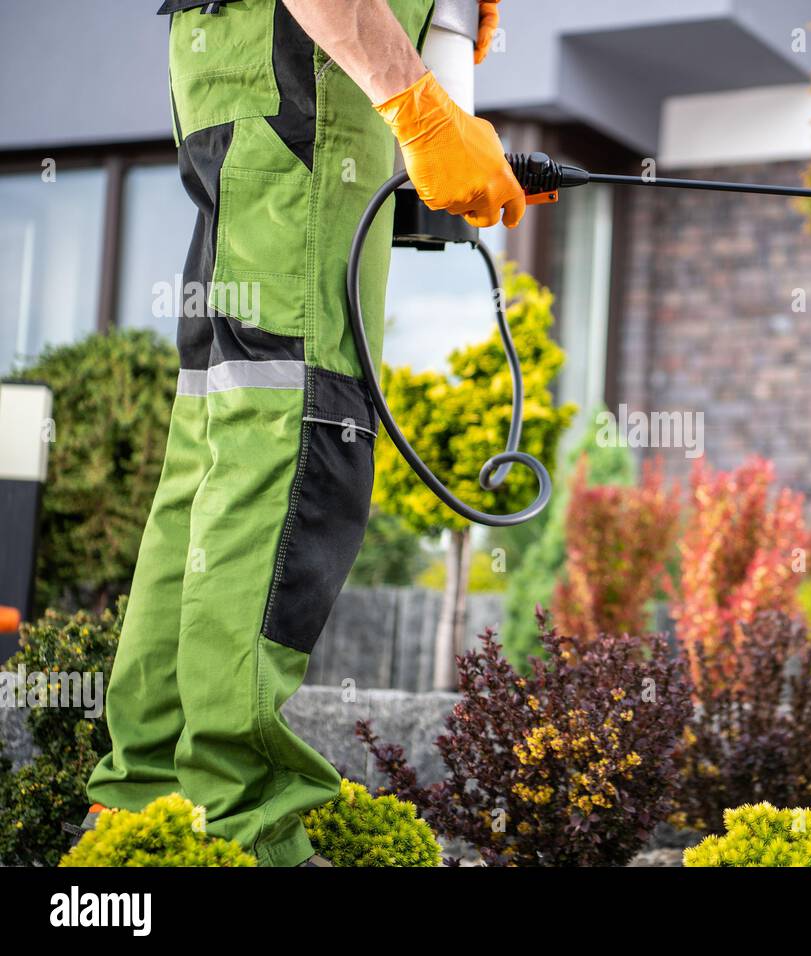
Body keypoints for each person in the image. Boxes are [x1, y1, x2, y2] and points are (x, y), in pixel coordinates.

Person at [81, 0, 522, 867]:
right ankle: (236, 821)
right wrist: (423, 109)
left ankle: (148, 812)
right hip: (307, 78)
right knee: (294, 429)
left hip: (259, 73)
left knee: (226, 434)